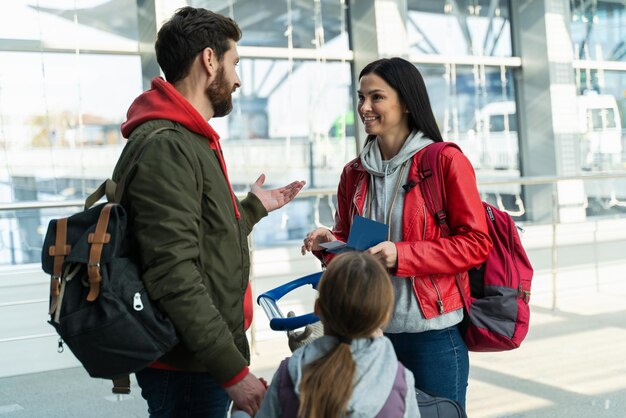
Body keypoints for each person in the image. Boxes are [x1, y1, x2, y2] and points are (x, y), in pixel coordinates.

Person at [111, 7, 305, 418]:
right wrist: (233, 372)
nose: (237, 79)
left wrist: (251, 209)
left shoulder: (188, 138)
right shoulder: (168, 145)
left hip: (199, 358)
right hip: (187, 366)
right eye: (235, 63)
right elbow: (173, 271)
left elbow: (198, 238)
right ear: (209, 59)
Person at [301, 57, 492, 409]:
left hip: (432, 336)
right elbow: (353, 247)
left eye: (376, 97)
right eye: (361, 97)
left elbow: (477, 243)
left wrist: (402, 255)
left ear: (405, 102)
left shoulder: (444, 161)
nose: (364, 107)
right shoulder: (353, 173)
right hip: (369, 336)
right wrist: (329, 243)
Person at [233, 251, 420, 418]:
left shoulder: (288, 374)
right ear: (385, 316)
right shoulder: (400, 382)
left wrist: (239, 412)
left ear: (317, 309)